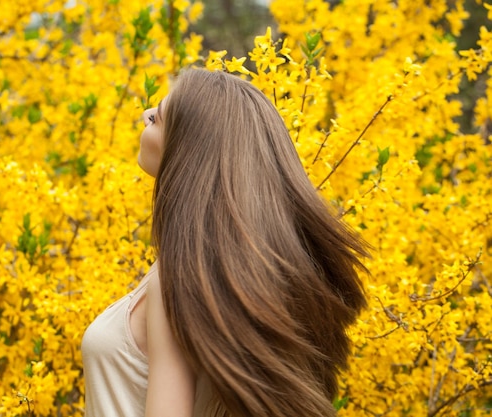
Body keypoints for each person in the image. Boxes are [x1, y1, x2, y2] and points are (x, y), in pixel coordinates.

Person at [81, 68, 368, 417]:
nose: (145, 115)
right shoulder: (224, 273)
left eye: (157, 117)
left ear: (190, 150)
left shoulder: (176, 278)